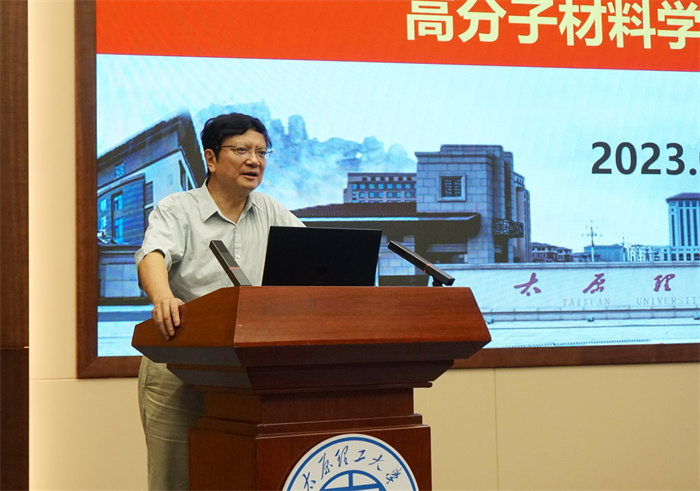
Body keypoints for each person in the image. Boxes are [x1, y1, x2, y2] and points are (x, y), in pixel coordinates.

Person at [135, 112, 304, 490]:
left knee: (237, 476)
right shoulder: (177, 208)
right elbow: (152, 255)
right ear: (210, 158)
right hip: (179, 362)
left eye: (261, 152)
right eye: (242, 150)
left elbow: (313, 257)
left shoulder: (271, 210)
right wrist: (163, 297)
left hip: (245, 371)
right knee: (175, 480)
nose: (254, 160)